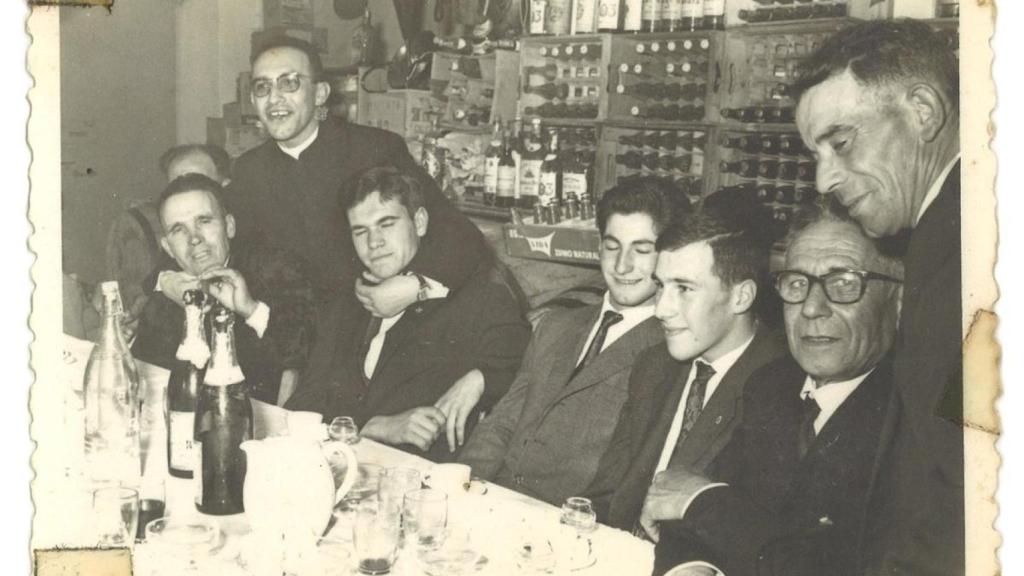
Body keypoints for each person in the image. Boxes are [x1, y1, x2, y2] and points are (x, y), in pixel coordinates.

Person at [650, 200, 903, 576]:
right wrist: (692, 568)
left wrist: (703, 502)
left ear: (898, 302)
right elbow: (684, 517)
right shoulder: (773, 385)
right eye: (797, 283)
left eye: (844, 283)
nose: (813, 308)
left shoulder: (908, 424)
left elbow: (827, 567)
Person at [792, 20, 962, 575]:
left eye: (841, 144)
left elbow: (973, 485)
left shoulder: (966, 253)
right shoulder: (945, 234)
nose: (824, 181)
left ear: (922, 111)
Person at [458, 179, 683, 506]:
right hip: (497, 505)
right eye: (612, 246)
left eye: (642, 250)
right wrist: (459, 489)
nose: (622, 265)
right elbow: (501, 426)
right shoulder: (556, 326)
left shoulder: (670, 350)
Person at [225, 36, 490, 311]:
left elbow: (458, 233)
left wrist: (416, 286)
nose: (274, 98)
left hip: (369, 323)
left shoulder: (375, 149)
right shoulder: (248, 170)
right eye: (261, 87)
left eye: (289, 83)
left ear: (320, 94)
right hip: (285, 332)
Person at [285, 167, 530, 462]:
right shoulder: (346, 304)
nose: (373, 242)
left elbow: (526, 363)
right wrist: (373, 427)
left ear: (420, 222)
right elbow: (302, 404)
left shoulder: (473, 298)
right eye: (360, 231)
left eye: (386, 224)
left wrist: (480, 379)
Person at [585, 206, 786, 532]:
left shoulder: (782, 388)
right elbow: (606, 494)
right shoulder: (654, 365)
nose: (662, 309)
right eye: (661, 285)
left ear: (741, 296)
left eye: (684, 289)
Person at [132, 174, 315, 405]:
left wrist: (250, 309)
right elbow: (143, 377)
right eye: (179, 229)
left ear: (229, 226)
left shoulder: (276, 271)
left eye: (204, 221)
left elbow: (303, 355)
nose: (194, 238)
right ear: (168, 248)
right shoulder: (168, 294)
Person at [104, 144, 232, 337]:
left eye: (197, 181)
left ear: (225, 185)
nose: (185, 192)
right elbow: (155, 281)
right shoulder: (176, 240)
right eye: (175, 185)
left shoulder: (250, 245)